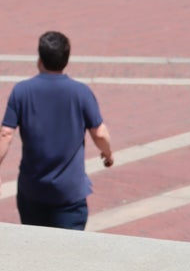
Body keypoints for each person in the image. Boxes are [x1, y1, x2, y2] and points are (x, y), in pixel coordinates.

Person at [0, 30, 114, 228]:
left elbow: (6, 134)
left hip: (32, 191)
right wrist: (107, 154)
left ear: (40, 59)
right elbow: (99, 132)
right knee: (69, 252)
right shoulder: (81, 93)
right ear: (66, 60)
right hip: (69, 194)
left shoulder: (22, 91)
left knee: (34, 247)